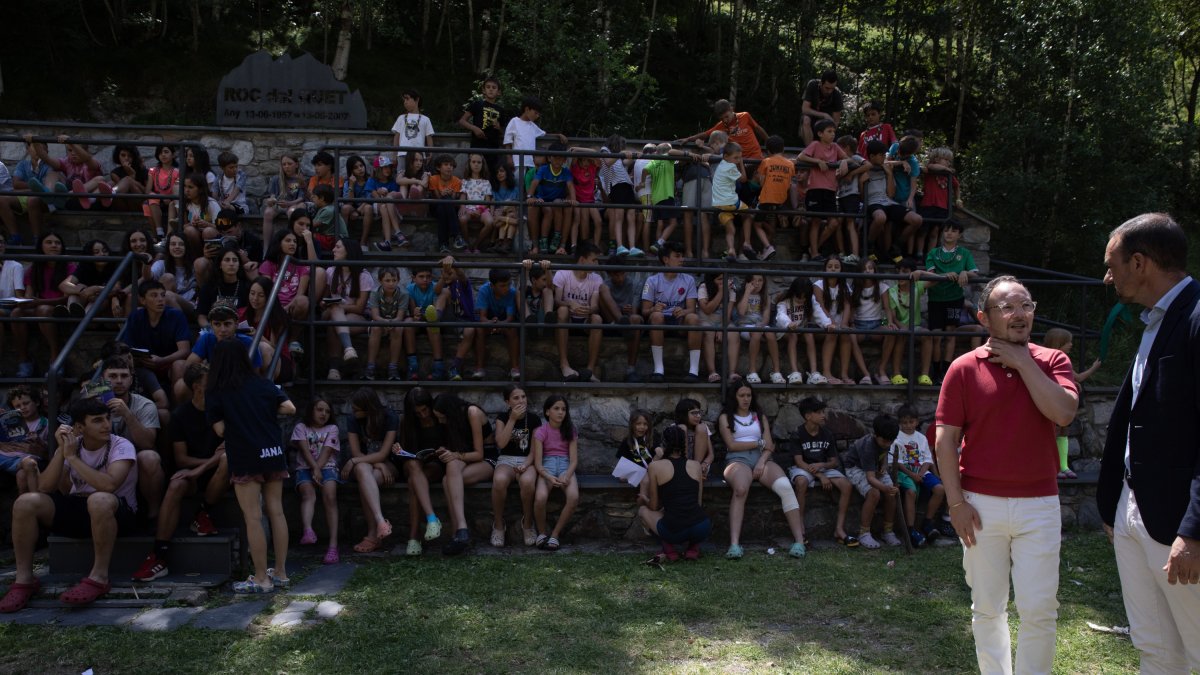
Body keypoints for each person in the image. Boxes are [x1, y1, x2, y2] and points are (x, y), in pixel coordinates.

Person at [935, 275, 1078, 674]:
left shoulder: (1053, 360)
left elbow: (1063, 413)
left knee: (1039, 609)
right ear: (984, 317)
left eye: (1026, 306)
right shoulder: (963, 369)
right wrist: (957, 503)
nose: (1019, 314)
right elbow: (945, 442)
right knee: (987, 608)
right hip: (980, 507)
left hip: (1040, 506)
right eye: (1007, 307)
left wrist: (1023, 362)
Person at [1097, 213, 1200, 672]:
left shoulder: (1197, 318)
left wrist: (1195, 530)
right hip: (1133, 511)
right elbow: (1137, 413)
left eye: (1112, 263)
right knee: (1154, 646)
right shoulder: (1154, 320)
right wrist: (1112, 505)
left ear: (1139, 263)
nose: (1107, 276)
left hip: (1180, 522)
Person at [0, 396, 138, 612]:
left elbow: (109, 485)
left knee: (99, 498)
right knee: (25, 502)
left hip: (116, 512)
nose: (106, 425)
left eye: (107, 419)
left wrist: (73, 459)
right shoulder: (72, 445)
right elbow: (44, 488)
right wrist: (61, 452)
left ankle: (99, 576)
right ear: (79, 427)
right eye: (97, 420)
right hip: (78, 508)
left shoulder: (122, 445)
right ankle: (24, 578)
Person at [206, 340, 295, 594]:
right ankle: (280, 572)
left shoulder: (218, 391)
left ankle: (260, 578)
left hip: (245, 455)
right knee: (276, 511)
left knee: (253, 516)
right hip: (273, 452)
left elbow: (221, 429)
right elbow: (289, 407)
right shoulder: (264, 385)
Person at [131, 362, 229, 582]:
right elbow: (181, 458)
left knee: (227, 460)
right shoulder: (181, 414)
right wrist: (203, 464)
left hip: (217, 473)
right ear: (197, 387)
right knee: (176, 484)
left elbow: (228, 451)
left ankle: (203, 511)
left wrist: (205, 466)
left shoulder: (224, 409)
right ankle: (159, 554)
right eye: (210, 382)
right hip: (192, 471)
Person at [719, 382, 807, 559]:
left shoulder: (759, 416)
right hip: (738, 460)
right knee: (740, 490)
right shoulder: (725, 417)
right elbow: (732, 445)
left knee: (785, 486)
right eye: (741, 395)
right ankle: (735, 544)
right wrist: (758, 443)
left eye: (748, 395)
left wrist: (761, 462)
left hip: (762, 458)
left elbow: (770, 445)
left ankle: (799, 541)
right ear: (734, 397)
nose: (745, 399)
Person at [914, 220, 980, 385]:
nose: (949, 233)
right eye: (946, 231)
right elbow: (930, 275)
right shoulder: (933, 253)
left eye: (953, 231)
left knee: (950, 334)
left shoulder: (964, 253)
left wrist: (965, 272)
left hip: (954, 299)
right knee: (936, 336)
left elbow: (974, 274)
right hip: (936, 298)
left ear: (959, 234)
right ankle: (935, 373)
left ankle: (946, 372)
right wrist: (945, 276)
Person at [785, 396, 857, 547]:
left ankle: (839, 529)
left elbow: (833, 461)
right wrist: (820, 475)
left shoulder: (827, 434)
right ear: (808, 416)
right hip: (803, 468)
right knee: (801, 482)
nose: (823, 415)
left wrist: (822, 466)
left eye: (823, 411)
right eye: (819, 412)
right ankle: (800, 529)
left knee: (847, 486)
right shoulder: (797, 434)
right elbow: (799, 461)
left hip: (822, 467)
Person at [433, 393, 496, 555]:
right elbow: (460, 451)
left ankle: (458, 533)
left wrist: (455, 455)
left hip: (487, 460)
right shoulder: (454, 420)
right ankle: (461, 532)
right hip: (466, 459)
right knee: (451, 468)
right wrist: (446, 452)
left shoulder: (472, 412)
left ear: (450, 412)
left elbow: (479, 454)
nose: (441, 421)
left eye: (442, 417)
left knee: (449, 479)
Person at [638, 424, 712, 562]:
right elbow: (698, 502)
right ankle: (692, 549)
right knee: (683, 512)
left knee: (643, 510)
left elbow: (653, 506)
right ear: (684, 445)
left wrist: (644, 499)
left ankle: (669, 550)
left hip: (674, 531)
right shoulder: (695, 464)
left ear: (664, 444)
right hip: (702, 527)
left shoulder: (655, 466)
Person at [341, 387, 399, 553]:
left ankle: (373, 534)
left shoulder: (390, 417)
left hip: (389, 466)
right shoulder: (353, 420)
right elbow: (357, 452)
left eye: (356, 410)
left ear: (368, 409)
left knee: (361, 471)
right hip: (368, 466)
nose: (353, 412)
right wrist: (375, 463)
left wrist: (379, 462)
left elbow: (384, 453)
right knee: (363, 472)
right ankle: (380, 522)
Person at [1041, 328, 1101, 479]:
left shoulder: (1062, 358)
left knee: (1063, 432)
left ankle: (1063, 465)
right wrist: (1094, 367)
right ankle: (1054, 467)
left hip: (1061, 402)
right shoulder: (1047, 358)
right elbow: (1078, 377)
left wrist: (1071, 382)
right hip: (1052, 401)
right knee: (1053, 433)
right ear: (1058, 342)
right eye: (1068, 342)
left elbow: (1072, 378)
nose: (1071, 345)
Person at [391, 387, 445, 556]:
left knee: (413, 483)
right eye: (417, 413)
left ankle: (414, 538)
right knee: (414, 467)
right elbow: (403, 455)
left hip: (433, 465)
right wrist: (398, 450)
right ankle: (431, 518)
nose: (422, 415)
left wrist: (442, 450)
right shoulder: (406, 422)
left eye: (424, 410)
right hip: (412, 464)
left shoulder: (439, 418)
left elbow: (451, 444)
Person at [291, 397, 342, 565]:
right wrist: (314, 469)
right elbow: (304, 450)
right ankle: (308, 530)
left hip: (326, 467)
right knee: (308, 493)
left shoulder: (332, 428)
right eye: (320, 409)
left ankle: (333, 547)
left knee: (330, 496)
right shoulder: (301, 427)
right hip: (306, 468)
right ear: (311, 410)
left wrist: (318, 469)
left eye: (327, 411)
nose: (324, 414)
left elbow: (327, 452)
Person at [641, 241, 702, 383]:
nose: (682, 260)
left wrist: (683, 311)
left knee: (693, 318)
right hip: (660, 322)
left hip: (679, 322)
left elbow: (692, 309)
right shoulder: (652, 280)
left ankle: (694, 371)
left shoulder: (689, 279)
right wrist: (653, 309)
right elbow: (644, 311)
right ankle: (658, 370)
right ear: (666, 259)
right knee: (656, 316)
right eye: (677, 256)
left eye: (682, 256)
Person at [490, 384, 542, 547]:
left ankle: (527, 523)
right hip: (506, 459)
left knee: (527, 482)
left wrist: (526, 464)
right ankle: (498, 525)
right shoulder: (502, 418)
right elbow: (500, 443)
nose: (521, 400)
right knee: (499, 481)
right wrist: (512, 419)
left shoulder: (534, 419)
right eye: (516, 398)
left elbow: (535, 450)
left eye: (523, 397)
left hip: (528, 460)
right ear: (508, 402)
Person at [843, 414, 903, 549]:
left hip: (874, 467)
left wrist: (884, 465)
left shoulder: (886, 439)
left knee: (891, 494)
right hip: (856, 468)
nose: (888, 444)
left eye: (890, 441)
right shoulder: (867, 447)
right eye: (885, 442)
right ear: (875, 435)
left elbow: (884, 452)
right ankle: (864, 533)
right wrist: (886, 488)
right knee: (874, 493)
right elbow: (870, 479)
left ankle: (888, 531)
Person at [892, 405, 948, 547]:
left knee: (940, 489)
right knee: (911, 492)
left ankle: (927, 523)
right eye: (904, 422)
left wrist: (921, 474)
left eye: (911, 422)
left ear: (916, 422)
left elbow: (927, 459)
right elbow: (897, 463)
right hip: (905, 472)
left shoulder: (921, 438)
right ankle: (911, 530)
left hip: (921, 471)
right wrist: (912, 475)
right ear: (899, 423)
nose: (908, 425)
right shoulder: (896, 438)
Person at [798, 119, 852, 261]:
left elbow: (849, 159)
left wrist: (844, 161)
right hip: (815, 188)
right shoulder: (815, 144)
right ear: (820, 133)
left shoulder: (835, 147)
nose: (832, 134)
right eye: (829, 131)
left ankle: (813, 247)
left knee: (834, 222)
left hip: (830, 190)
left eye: (834, 131)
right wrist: (818, 161)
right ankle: (815, 253)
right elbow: (801, 156)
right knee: (815, 221)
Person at [320, 237, 373, 380]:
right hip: (332, 312)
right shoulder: (331, 272)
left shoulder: (363, 276)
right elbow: (323, 299)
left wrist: (340, 306)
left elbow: (360, 308)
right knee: (335, 310)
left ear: (348, 251)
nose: (333, 250)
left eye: (338, 247)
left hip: (355, 316)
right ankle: (349, 350)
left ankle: (334, 369)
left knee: (333, 324)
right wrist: (325, 303)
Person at [532, 394, 578, 551]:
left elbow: (574, 460)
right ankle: (542, 533)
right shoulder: (540, 431)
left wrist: (567, 474)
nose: (560, 412)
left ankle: (555, 535)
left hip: (565, 466)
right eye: (556, 408)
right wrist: (549, 477)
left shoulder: (570, 430)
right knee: (540, 498)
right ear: (547, 412)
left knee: (573, 497)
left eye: (563, 409)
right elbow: (538, 464)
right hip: (547, 467)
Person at [554, 241, 604, 381]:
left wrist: (589, 309)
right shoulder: (562, 273)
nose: (596, 264)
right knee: (562, 310)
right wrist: (569, 304)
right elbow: (557, 300)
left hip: (585, 318)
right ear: (582, 259)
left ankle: (590, 370)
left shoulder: (596, 278)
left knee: (597, 319)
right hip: (568, 316)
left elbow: (595, 306)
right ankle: (564, 364)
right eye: (593, 260)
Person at [598, 254, 645, 382]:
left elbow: (634, 311)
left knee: (635, 319)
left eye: (622, 274)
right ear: (610, 275)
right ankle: (619, 321)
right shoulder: (605, 285)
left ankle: (631, 369)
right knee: (601, 289)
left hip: (630, 322)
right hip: (612, 321)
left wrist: (629, 311)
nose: (620, 278)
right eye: (616, 275)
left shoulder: (635, 284)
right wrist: (620, 312)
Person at [677, 98, 769, 160]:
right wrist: (688, 139)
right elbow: (706, 134)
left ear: (731, 109)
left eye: (726, 117)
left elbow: (758, 129)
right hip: (738, 160)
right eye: (722, 119)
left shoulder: (745, 116)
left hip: (756, 156)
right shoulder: (721, 125)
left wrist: (769, 142)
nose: (725, 120)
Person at [365, 266, 412, 381]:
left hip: (395, 321)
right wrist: (385, 322)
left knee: (398, 328)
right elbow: (375, 316)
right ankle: (370, 366)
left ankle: (393, 367)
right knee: (376, 328)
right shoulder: (375, 293)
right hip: (380, 320)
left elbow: (400, 317)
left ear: (398, 281)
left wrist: (391, 323)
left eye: (394, 280)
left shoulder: (404, 294)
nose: (391, 283)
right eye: (387, 280)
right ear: (380, 281)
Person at [0, 386, 50, 494]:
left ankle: (31, 502)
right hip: (4, 457)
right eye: (17, 406)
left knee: (23, 474)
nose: (22, 408)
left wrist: (39, 441)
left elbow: (49, 449)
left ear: (36, 402)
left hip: (24, 459)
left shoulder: (45, 424)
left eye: (26, 403)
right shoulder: (9, 422)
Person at [474, 267, 521, 380]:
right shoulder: (484, 291)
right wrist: (492, 323)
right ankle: (479, 368)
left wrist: (500, 324)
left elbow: (509, 318)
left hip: (504, 322)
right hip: (489, 322)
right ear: (492, 285)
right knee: (479, 330)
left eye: (508, 284)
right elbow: (482, 317)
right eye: (502, 286)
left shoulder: (512, 292)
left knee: (513, 330)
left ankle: (514, 368)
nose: (506, 288)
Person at [458, 76, 506, 173]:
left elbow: (505, 132)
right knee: (475, 173)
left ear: (499, 92)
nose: (491, 90)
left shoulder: (501, 110)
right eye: (488, 87)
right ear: (483, 90)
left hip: (493, 148)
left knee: (491, 174)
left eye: (494, 87)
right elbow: (462, 121)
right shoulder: (477, 104)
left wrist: (499, 128)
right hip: (477, 146)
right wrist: (474, 128)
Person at [615, 408, 663, 503]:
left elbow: (657, 460)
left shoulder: (653, 439)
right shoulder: (627, 441)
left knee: (646, 479)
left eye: (645, 424)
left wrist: (658, 453)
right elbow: (621, 463)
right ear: (632, 425)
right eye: (638, 424)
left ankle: (643, 500)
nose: (642, 427)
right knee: (639, 476)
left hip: (651, 469)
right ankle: (646, 500)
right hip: (635, 469)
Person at [261, 152, 307, 244]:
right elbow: (273, 196)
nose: (286, 166)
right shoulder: (276, 179)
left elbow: (302, 198)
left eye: (289, 164)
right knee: (267, 212)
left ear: (296, 165)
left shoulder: (300, 179)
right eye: (284, 164)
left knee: (292, 212)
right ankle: (266, 247)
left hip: (293, 205)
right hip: (279, 205)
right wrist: (271, 201)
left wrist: (289, 204)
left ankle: (293, 242)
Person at [800, 70, 845, 145]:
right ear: (821, 83)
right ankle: (810, 151)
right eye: (827, 88)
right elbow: (805, 109)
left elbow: (836, 121)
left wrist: (829, 132)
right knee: (806, 119)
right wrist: (824, 115)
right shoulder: (813, 85)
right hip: (811, 121)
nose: (829, 91)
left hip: (826, 125)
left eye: (832, 88)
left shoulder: (837, 94)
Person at [393, 89, 435, 168]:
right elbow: (396, 137)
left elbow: (429, 137)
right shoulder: (401, 118)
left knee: (418, 176)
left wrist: (430, 153)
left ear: (417, 99)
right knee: (401, 175)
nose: (405, 102)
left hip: (419, 156)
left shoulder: (425, 119)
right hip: (402, 154)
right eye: (404, 100)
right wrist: (394, 154)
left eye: (407, 99)